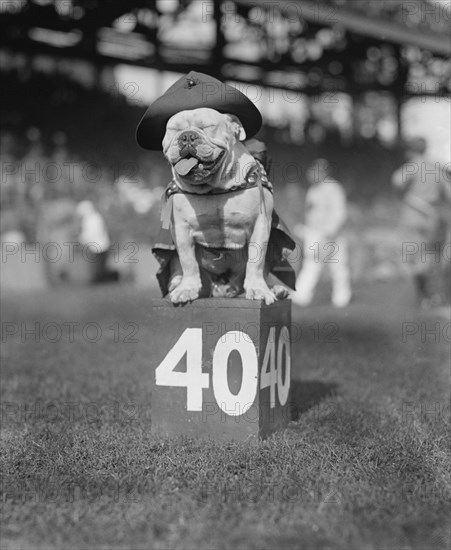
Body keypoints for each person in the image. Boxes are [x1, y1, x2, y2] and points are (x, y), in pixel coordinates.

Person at [391, 138, 450, 309]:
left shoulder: (413, 166)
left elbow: (396, 180)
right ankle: (436, 296)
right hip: (432, 219)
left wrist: (403, 195)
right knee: (431, 257)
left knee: (415, 258)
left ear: (411, 151)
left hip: (413, 216)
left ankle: (424, 297)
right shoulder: (435, 168)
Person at [291, 158, 351, 307]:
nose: (311, 174)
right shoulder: (313, 190)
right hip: (315, 234)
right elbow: (311, 213)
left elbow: (340, 213)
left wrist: (330, 234)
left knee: (338, 267)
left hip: (332, 235)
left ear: (324, 172)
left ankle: (342, 299)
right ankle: (301, 296)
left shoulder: (333, 188)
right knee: (311, 264)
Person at [76, 200, 119, 283]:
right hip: (96, 246)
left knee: (99, 266)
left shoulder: (93, 218)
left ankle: (101, 280)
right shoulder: (91, 218)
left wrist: (82, 238)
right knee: (98, 266)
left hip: (99, 245)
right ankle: (99, 280)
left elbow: (93, 232)